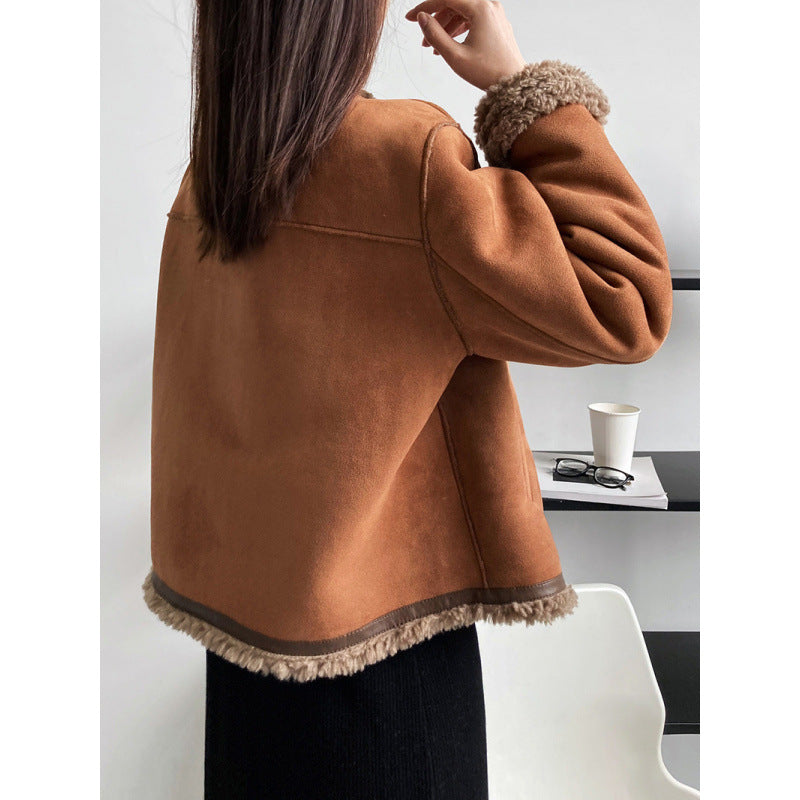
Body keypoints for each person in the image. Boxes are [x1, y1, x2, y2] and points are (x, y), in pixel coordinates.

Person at [142, 1, 673, 797]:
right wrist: (524, 89)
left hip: (246, 665)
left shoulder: (213, 177)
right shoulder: (405, 162)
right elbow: (624, 299)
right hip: (388, 675)